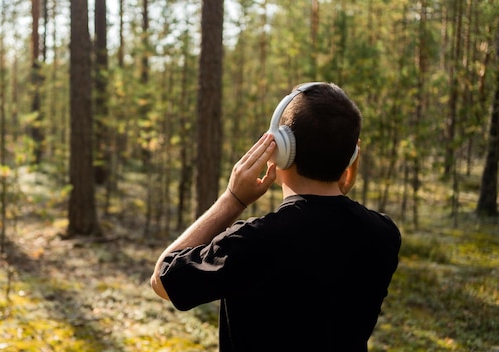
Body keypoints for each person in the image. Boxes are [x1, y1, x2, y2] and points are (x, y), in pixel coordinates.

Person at [149, 82, 401, 351]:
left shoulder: (255, 241)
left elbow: (163, 280)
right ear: (351, 157)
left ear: (281, 149)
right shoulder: (383, 233)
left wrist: (232, 199)